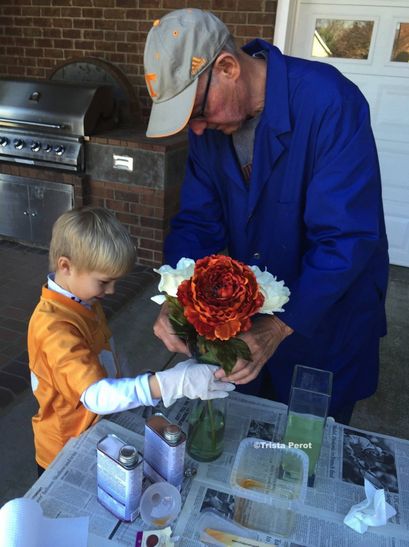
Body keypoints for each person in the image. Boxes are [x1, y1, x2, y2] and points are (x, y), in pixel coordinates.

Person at [143, 8, 389, 424]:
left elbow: (346, 239)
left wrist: (278, 327)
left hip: (326, 321)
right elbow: (198, 223)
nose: (196, 130)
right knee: (247, 448)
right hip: (247, 325)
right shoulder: (210, 129)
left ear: (227, 67)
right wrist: (176, 299)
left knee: (305, 451)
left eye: (198, 112)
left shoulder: (330, 102)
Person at [28, 207, 234, 474]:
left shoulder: (82, 299)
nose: (112, 290)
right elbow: (96, 396)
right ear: (65, 266)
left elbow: (106, 357)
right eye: (104, 282)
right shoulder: (53, 326)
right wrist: (168, 383)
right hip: (64, 450)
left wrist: (143, 387)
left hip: (98, 429)